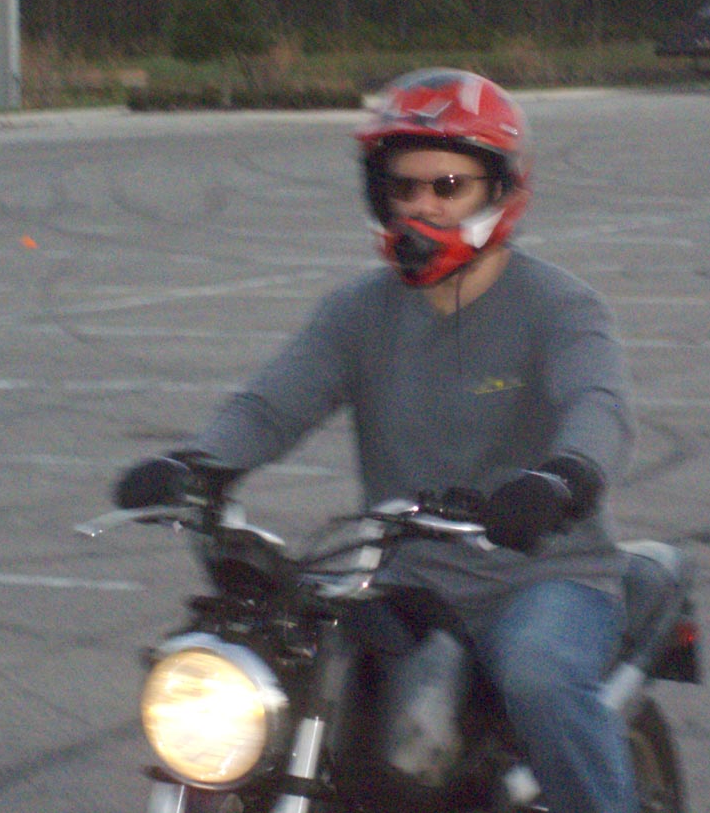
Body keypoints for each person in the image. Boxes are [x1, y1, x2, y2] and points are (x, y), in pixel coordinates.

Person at [115, 68, 639, 813]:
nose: (422, 205)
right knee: (295, 687)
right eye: (403, 187)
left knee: (539, 676)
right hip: (405, 577)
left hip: (543, 576)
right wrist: (198, 462)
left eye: (448, 185)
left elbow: (599, 405)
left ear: (500, 190)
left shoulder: (559, 306)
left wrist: (563, 478)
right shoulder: (359, 312)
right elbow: (273, 403)